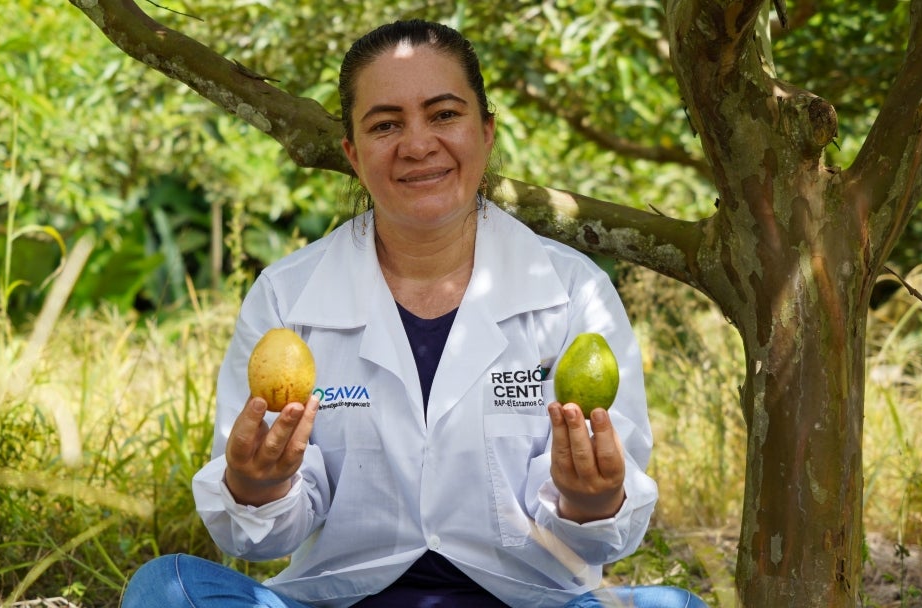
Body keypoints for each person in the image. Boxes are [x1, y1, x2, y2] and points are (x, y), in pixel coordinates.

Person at [122, 18, 708, 608]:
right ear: (353, 153)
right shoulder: (287, 296)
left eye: (445, 114)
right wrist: (257, 485)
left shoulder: (571, 291)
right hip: (339, 601)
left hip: (527, 601)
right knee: (164, 591)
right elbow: (264, 536)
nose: (418, 144)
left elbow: (611, 528)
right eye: (385, 125)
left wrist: (591, 499)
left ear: (486, 131)